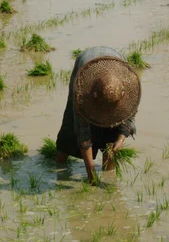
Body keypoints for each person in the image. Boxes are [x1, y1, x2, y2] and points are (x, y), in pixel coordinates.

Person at [56, 46, 141, 183]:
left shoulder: (130, 84)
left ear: (124, 93)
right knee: (70, 126)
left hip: (115, 62)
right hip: (84, 66)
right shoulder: (82, 91)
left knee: (111, 136)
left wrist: (120, 139)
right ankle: (58, 168)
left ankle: (108, 173)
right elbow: (83, 134)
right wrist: (91, 175)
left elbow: (130, 114)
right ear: (93, 96)